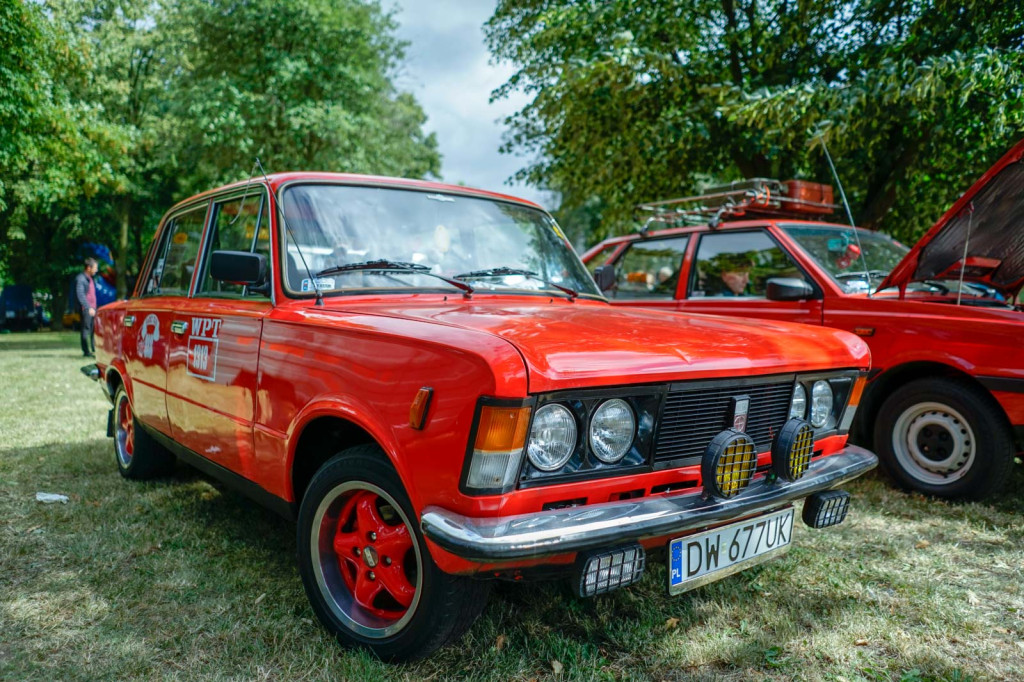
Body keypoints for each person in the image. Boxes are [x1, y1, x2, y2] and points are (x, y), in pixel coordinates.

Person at [75, 258, 99, 357]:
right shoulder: (81, 279)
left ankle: (94, 349)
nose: (96, 270)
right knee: (86, 329)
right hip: (86, 309)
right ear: (88, 268)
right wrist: (88, 307)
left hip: (93, 308)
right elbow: (80, 294)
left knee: (94, 330)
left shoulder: (90, 278)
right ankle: (86, 351)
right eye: (95, 268)